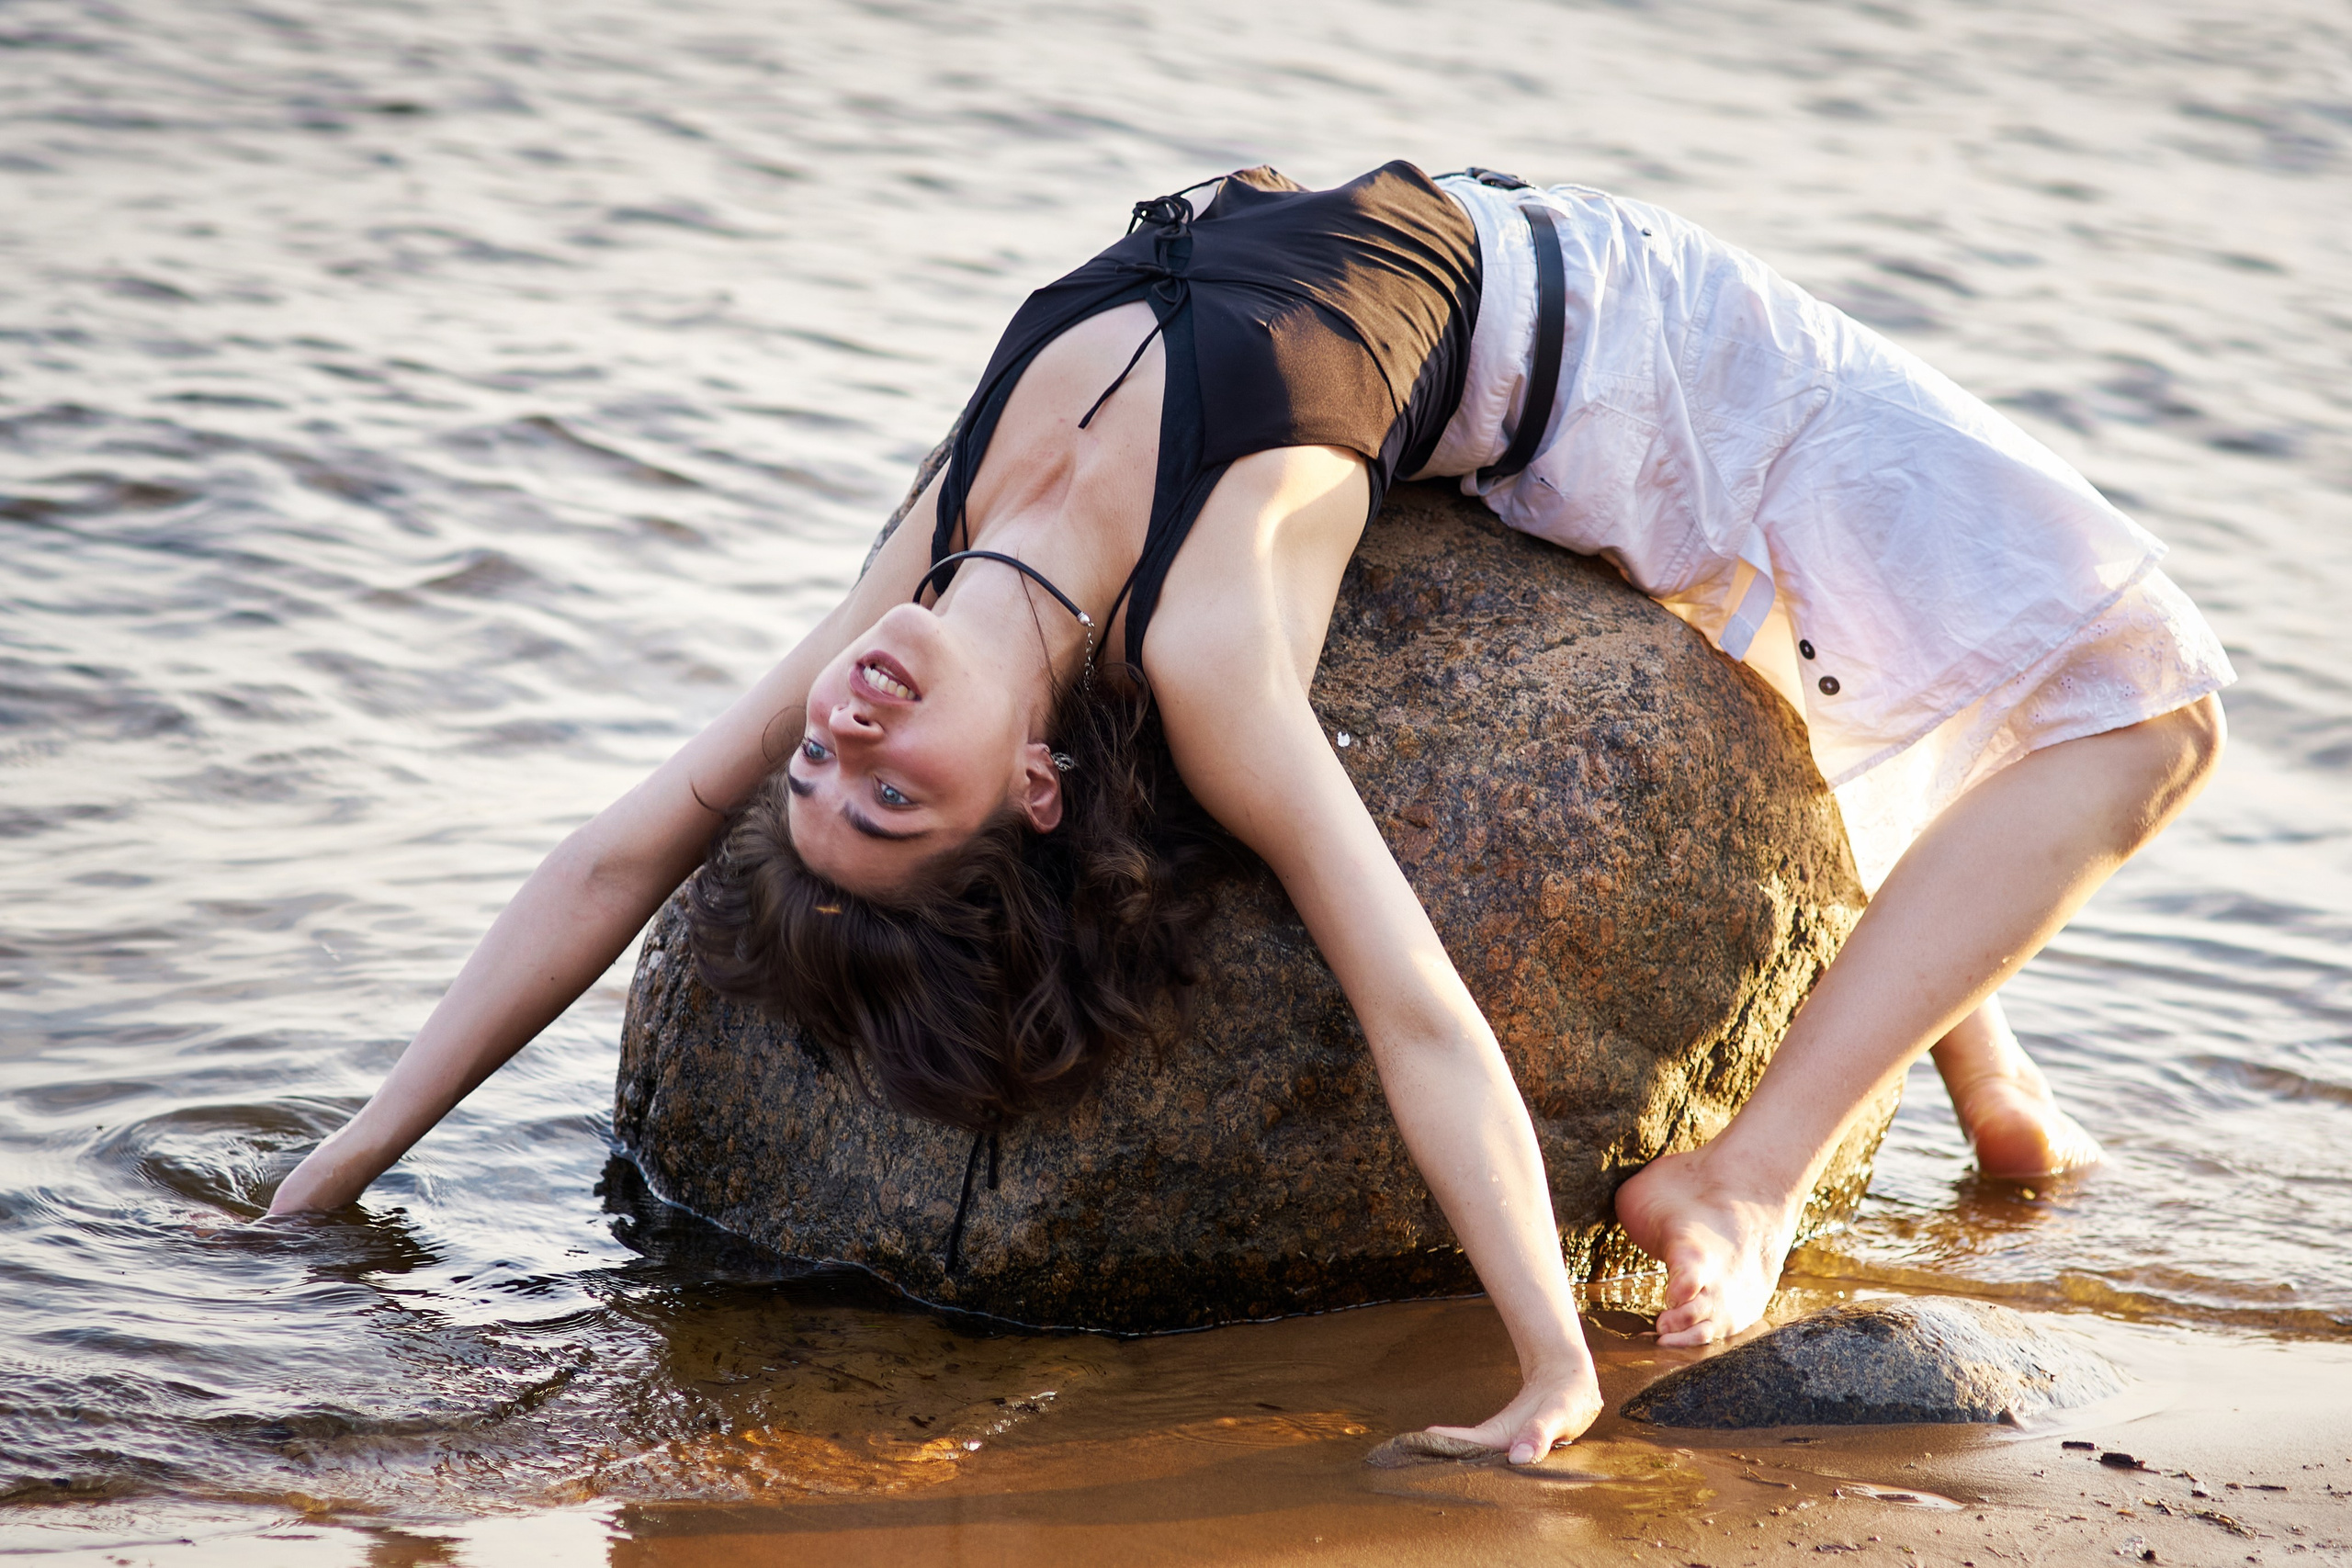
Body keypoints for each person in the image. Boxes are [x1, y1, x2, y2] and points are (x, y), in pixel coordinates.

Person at [271, 163, 2232, 1463]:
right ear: (1029, 791)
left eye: (824, 775)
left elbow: (624, 849)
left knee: (1899, 663)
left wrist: (341, 1158)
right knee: (2151, 704)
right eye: (891, 794)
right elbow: (1410, 1001)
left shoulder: (912, 582)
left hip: (1518, 270)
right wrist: (1548, 1359)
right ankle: (1743, 1169)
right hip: (1643, 353)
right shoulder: (1208, 662)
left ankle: (1989, 1090)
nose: (840, 727)